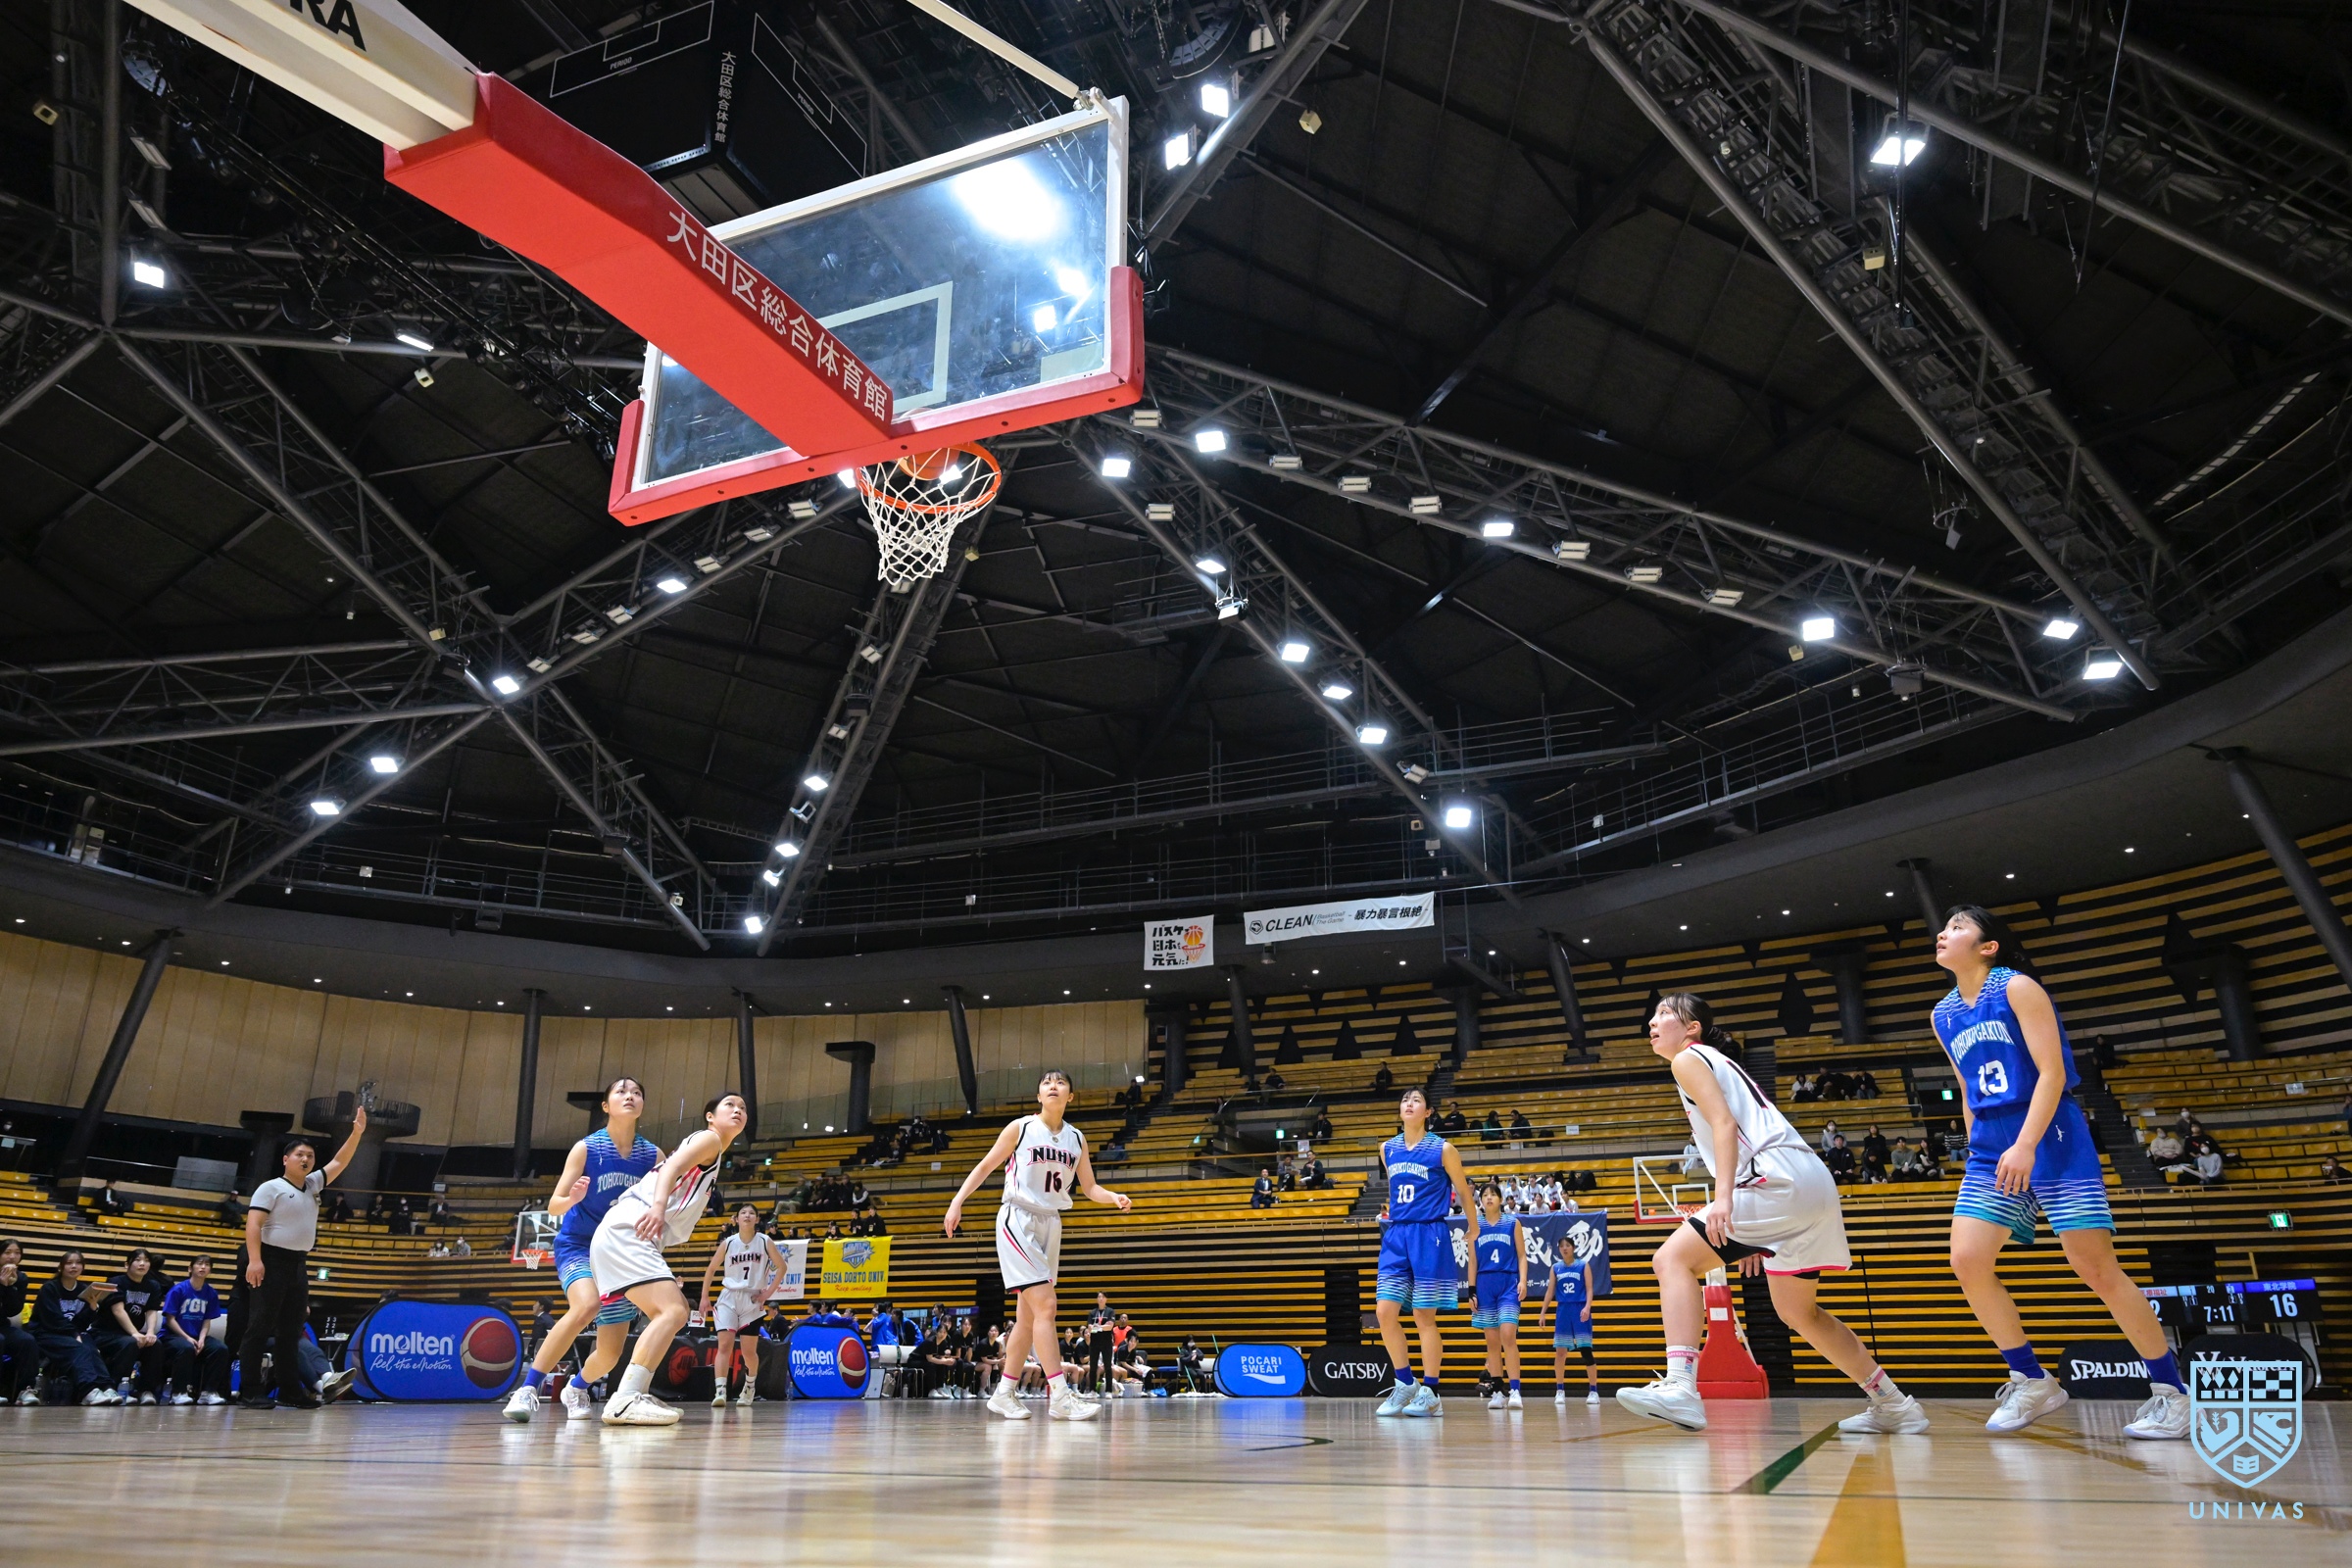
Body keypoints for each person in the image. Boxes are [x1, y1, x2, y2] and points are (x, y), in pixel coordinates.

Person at [1930, 905, 2186, 1441]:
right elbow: (1968, 1090)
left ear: (1988, 946)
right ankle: (2032, 1380)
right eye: (1945, 926)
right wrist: (1979, 1148)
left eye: (1957, 927)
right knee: (1967, 1260)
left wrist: (2026, 1144)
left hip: (2051, 1134)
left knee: (2095, 1267)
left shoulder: (2017, 988)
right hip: (1992, 1146)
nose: (1942, 933)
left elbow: (2052, 1072)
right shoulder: (1943, 1014)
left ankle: (2172, 1392)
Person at [1617, 993, 1928, 1435]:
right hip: (1811, 1183)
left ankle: (1681, 1386)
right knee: (1799, 1313)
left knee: (1671, 1260)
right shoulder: (1719, 1062)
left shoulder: (1688, 1058)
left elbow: (1724, 1124)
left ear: (1692, 1028)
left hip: (1773, 1179)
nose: (1653, 1021)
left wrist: (1725, 1198)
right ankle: (1895, 1404)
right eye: (1653, 1014)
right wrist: (1754, 1235)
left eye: (1665, 1013)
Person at [945, 1071, 1130, 1421]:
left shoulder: (1076, 1138)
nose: (1053, 1086)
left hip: (1051, 1223)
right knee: (1047, 1306)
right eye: (1046, 1082)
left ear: (1070, 1096)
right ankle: (1060, 1395)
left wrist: (1113, 1197)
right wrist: (957, 1202)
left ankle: (1003, 1394)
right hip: (1018, 1217)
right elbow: (986, 1165)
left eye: (1060, 1082)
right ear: (1039, 1095)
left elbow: (1090, 1187)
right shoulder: (1021, 1128)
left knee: (1028, 1319)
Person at [505, 1076, 662, 1424]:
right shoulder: (587, 1148)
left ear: (642, 1105)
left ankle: (576, 1388)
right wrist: (572, 1197)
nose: (630, 1096)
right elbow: (555, 1205)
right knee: (587, 1304)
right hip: (580, 1245)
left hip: (620, 1255)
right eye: (621, 1091)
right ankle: (527, 1389)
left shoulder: (653, 1156)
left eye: (637, 1092)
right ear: (606, 1105)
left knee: (609, 1354)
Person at [588, 1091, 750, 1426]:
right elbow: (672, 1167)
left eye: (742, 1107)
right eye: (729, 1105)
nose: (737, 1110)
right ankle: (625, 1398)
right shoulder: (709, 1139)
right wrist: (659, 1207)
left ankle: (636, 1391)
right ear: (710, 1116)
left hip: (626, 1231)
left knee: (667, 1313)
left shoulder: (712, 1152)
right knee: (674, 1310)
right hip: (630, 1226)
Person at [237, 1109, 367, 1410]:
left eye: (310, 1155)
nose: (306, 1159)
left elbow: (340, 1162)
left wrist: (357, 1133)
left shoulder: (313, 1185)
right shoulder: (271, 1187)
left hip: (297, 1264)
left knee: (291, 1331)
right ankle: (250, 1390)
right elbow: (253, 1225)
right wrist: (255, 1261)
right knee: (259, 1327)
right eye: (299, 1155)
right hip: (270, 1261)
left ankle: (289, 1391)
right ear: (286, 1160)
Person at [1373, 1087, 1477, 1418]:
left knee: (1423, 1316)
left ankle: (1431, 1392)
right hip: (1396, 1234)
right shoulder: (1386, 1149)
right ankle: (1405, 1383)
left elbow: (1463, 1190)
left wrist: (1474, 1227)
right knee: (1384, 1312)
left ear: (1428, 1112)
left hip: (1429, 1233)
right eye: (1405, 1100)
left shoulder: (1443, 1149)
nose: (1409, 1103)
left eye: (1416, 1100)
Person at [696, 1203, 788, 1407]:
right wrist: (704, 1297)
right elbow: (711, 1269)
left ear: (757, 1219)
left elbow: (782, 1267)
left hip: (752, 1299)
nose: (747, 1215)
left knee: (748, 1352)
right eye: (743, 1213)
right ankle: (720, 1391)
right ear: (736, 1219)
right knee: (724, 1345)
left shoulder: (764, 1241)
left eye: (752, 1213)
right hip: (728, 1297)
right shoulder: (728, 1243)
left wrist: (768, 1293)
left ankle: (749, 1386)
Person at [1469, 1181, 1529, 1409]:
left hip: (1508, 1283)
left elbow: (1522, 1255)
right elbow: (1472, 1261)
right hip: (1484, 1285)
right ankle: (1497, 1391)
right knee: (1492, 1341)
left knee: (1508, 1335)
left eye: (1493, 1194)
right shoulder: (1475, 1226)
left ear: (1501, 1199)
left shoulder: (1512, 1223)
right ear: (1480, 1200)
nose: (1489, 1197)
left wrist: (1523, 1280)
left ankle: (1515, 1390)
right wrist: (1471, 1290)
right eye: (1485, 1194)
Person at [30, 1250, 113, 1404]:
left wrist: (92, 1308)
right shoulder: (49, 1288)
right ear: (60, 1267)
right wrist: (74, 1334)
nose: (74, 1266)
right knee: (80, 1348)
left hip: (71, 1334)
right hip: (46, 1333)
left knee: (91, 1348)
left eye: (78, 1263)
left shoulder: (84, 1290)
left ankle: (106, 1387)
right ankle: (89, 1391)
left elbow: (81, 1323)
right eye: (69, 1263)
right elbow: (52, 1320)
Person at [95, 1247, 172, 1401]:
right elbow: (118, 1310)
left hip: (130, 1334)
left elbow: (151, 1311)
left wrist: (150, 1332)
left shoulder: (153, 1286)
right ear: (127, 1265)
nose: (142, 1264)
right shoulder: (116, 1282)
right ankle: (115, 1388)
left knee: (155, 1345)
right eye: (137, 1260)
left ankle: (146, 1391)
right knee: (130, 1343)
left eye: (146, 1261)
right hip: (106, 1333)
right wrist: (135, 1333)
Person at [160, 1255, 231, 1404]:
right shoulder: (178, 1290)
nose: (203, 1267)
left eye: (207, 1265)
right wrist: (187, 1338)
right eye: (199, 1264)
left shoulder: (211, 1293)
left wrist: (202, 1339)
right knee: (186, 1348)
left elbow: (206, 1320)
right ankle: (179, 1392)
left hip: (197, 1336)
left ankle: (208, 1392)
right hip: (172, 1336)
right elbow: (170, 1320)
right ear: (190, 1268)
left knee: (220, 1349)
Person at [1540, 1243, 1600, 1405]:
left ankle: (1593, 1391)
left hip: (1579, 1309)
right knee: (1560, 1352)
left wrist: (1587, 1307)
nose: (1564, 1248)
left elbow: (1589, 1289)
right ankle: (1560, 1391)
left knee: (1586, 1351)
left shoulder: (1583, 1265)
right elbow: (1550, 1291)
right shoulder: (1555, 1268)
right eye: (1561, 1246)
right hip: (1563, 1311)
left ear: (1573, 1248)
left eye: (1567, 1246)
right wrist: (1543, 1312)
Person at [0, 1239, 38, 1405]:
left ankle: (25, 1390)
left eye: (17, 1253)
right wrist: (2, 1285)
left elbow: (13, 1311)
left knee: (27, 1341)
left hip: (2, 1325)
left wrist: (9, 1287)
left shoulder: (21, 1278)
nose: (12, 1257)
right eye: (7, 1252)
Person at [1084, 1293, 1116, 1395]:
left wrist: (1097, 1327)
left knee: (1108, 1366)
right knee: (1093, 1367)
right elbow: (1089, 1328)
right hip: (1094, 1343)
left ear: (1106, 1299)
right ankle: (1092, 1390)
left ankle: (1109, 1391)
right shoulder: (1092, 1313)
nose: (1101, 1299)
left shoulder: (1110, 1311)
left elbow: (1110, 1327)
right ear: (1097, 1299)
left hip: (1106, 1343)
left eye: (1103, 1297)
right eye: (1099, 1297)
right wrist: (1102, 1327)